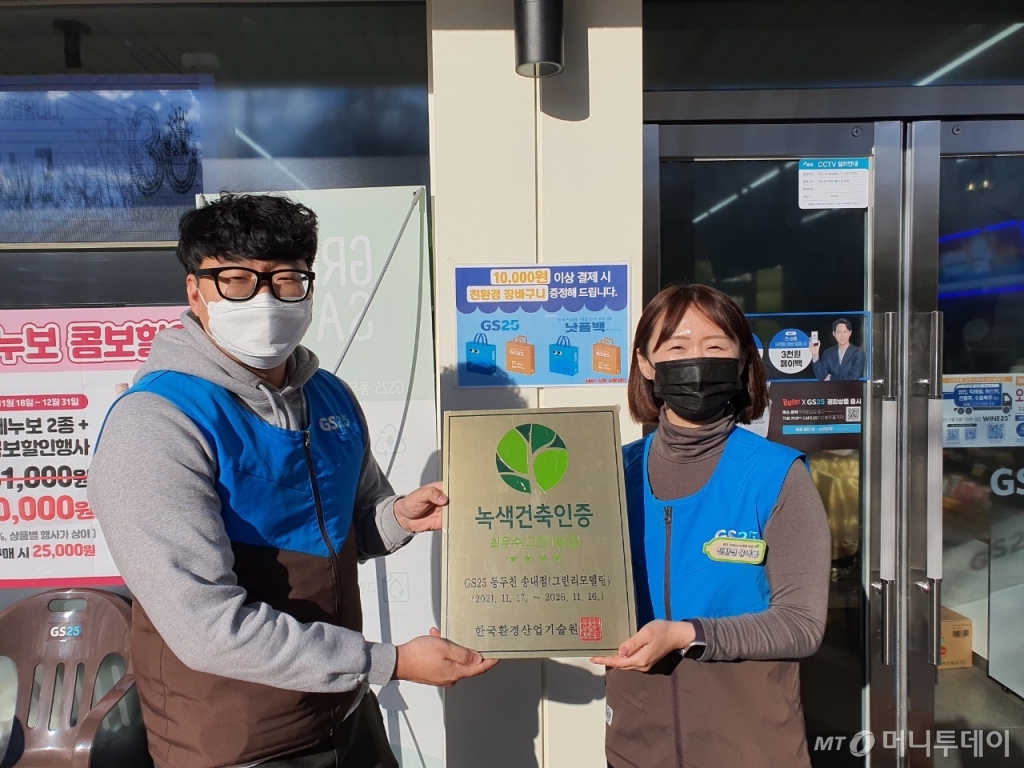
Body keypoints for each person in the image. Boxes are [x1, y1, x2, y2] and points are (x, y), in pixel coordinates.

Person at [89, 194, 497, 768]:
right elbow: (207, 626)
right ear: (195, 291)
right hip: (235, 739)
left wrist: (400, 517)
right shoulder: (157, 423)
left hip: (345, 716)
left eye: (285, 279)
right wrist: (391, 662)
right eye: (236, 280)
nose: (263, 298)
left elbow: (355, 525)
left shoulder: (329, 395)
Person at [591, 284, 830, 768]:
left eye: (715, 346)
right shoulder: (609, 475)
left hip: (751, 744)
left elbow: (802, 624)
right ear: (645, 363)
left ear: (743, 361)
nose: (696, 360)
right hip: (638, 741)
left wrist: (688, 634)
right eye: (676, 347)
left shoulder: (777, 474)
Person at [810, 317, 865, 381]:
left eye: (845, 332)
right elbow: (821, 377)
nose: (842, 335)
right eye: (839, 332)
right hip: (831, 390)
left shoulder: (858, 352)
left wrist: (830, 377)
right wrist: (815, 355)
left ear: (850, 333)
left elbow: (853, 378)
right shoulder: (828, 353)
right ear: (834, 334)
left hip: (851, 390)